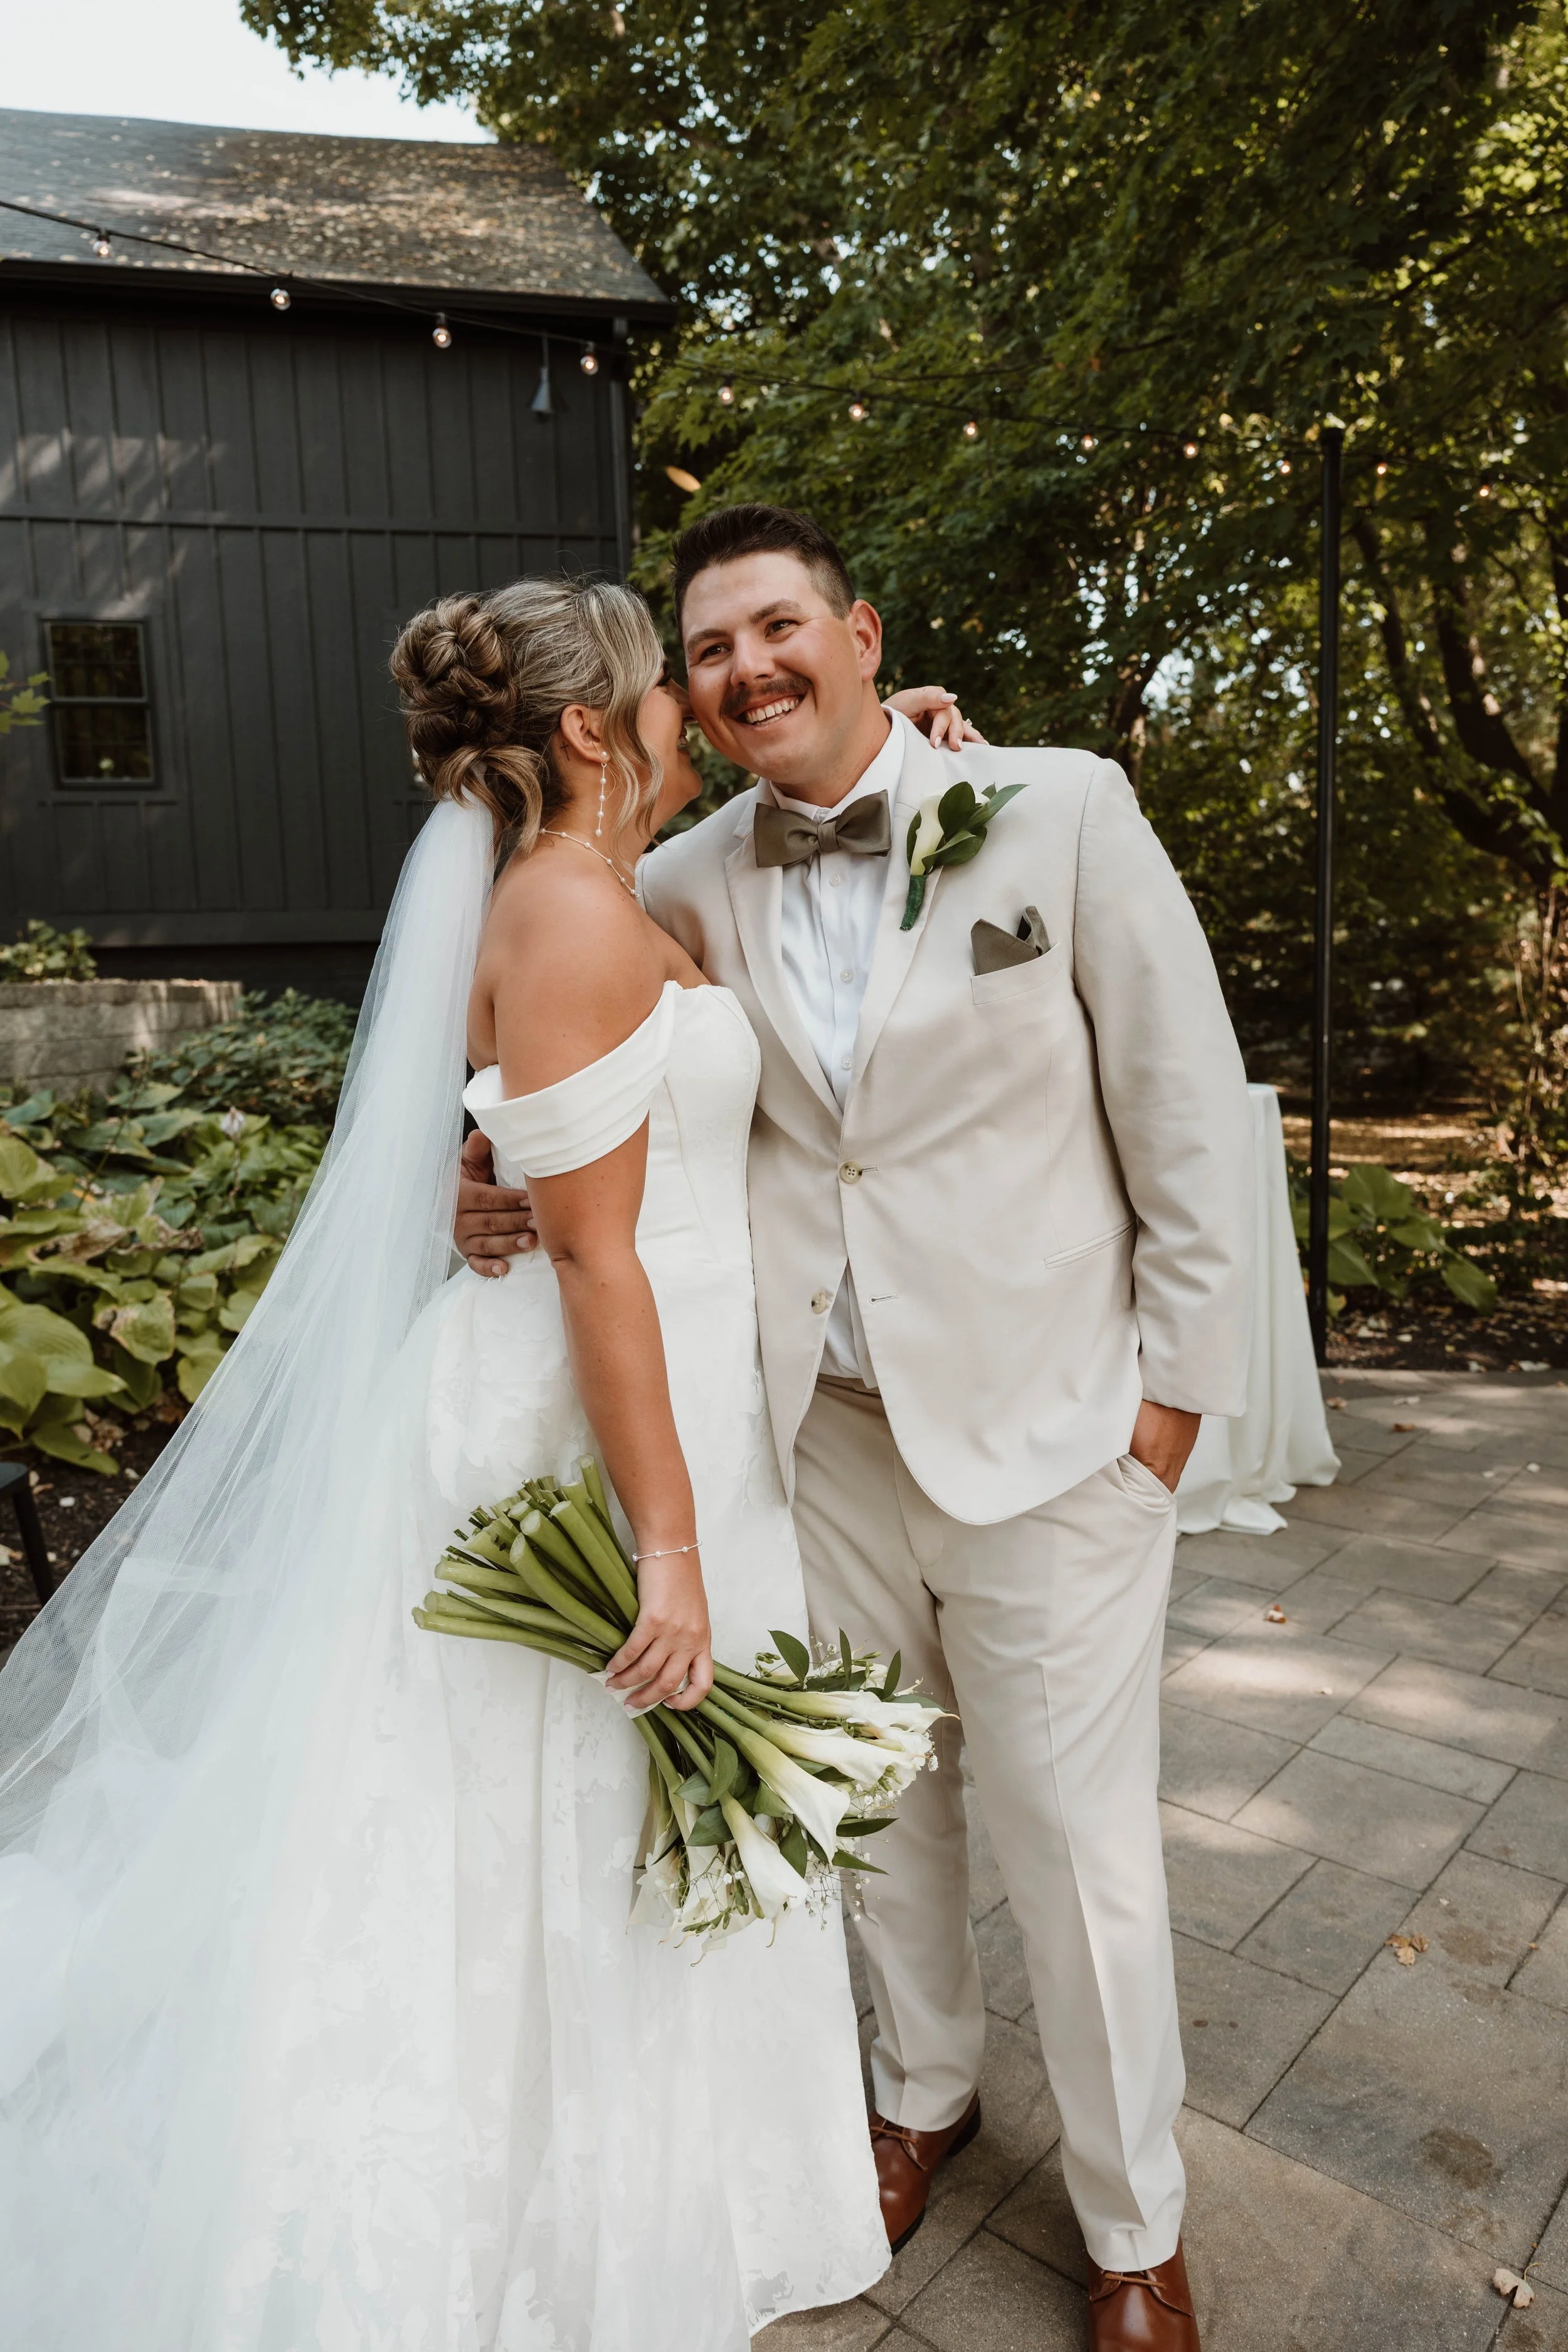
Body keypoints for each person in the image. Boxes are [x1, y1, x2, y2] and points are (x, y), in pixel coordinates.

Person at [0, 576, 895, 2351]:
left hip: (642, 1385)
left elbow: (532, 1166)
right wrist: (667, 1548)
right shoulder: (570, 914)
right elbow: (592, 1254)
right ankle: (518, 2203)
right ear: (586, 731)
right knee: (542, 1800)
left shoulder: (569, 893)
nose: (682, 719)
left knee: (566, 1798)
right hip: (595, 1413)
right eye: (660, 693)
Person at [456, 506, 1255, 2352]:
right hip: (811, 1436)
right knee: (871, 1799)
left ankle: (1134, 2222)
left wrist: (1165, 1409)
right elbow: (550, 1059)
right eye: (708, 650)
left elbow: (1188, 1115)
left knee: (1078, 1846)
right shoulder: (680, 875)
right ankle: (918, 2099)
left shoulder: (1055, 808)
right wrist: (473, 1179)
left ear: (862, 631)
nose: (742, 669)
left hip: (1058, 1437)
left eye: (773, 627)